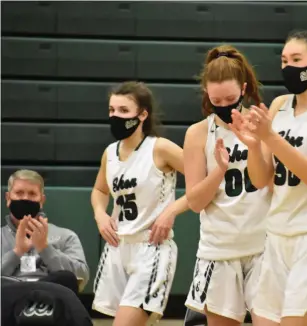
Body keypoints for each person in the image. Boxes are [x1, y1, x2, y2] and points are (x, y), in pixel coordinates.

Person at [230, 25, 307, 326]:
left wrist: (270, 137)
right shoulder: (279, 106)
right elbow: (262, 180)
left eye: (296, 60)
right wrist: (252, 145)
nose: (287, 67)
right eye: (284, 61)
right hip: (276, 238)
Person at [183, 45, 272, 326]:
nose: (223, 106)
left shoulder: (262, 123)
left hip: (264, 246)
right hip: (218, 250)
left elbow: (265, 180)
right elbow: (196, 202)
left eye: (230, 98)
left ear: (244, 89)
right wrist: (219, 170)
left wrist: (255, 145)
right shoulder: (197, 134)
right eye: (216, 100)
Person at [91, 81, 189, 326]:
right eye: (112, 110)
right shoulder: (110, 152)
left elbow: (204, 180)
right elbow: (100, 189)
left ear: (142, 115)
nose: (115, 116)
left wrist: (172, 211)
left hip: (151, 247)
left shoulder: (160, 148)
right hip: (117, 247)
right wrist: (100, 214)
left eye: (123, 110)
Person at [1, 169, 89, 294]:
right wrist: (17, 252)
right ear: (8, 198)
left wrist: (45, 249)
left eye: (32, 194)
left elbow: (81, 277)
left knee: (65, 278)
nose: (25, 198)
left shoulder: (66, 236)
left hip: (50, 301)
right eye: (19, 193)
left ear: (41, 201)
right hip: (8, 302)